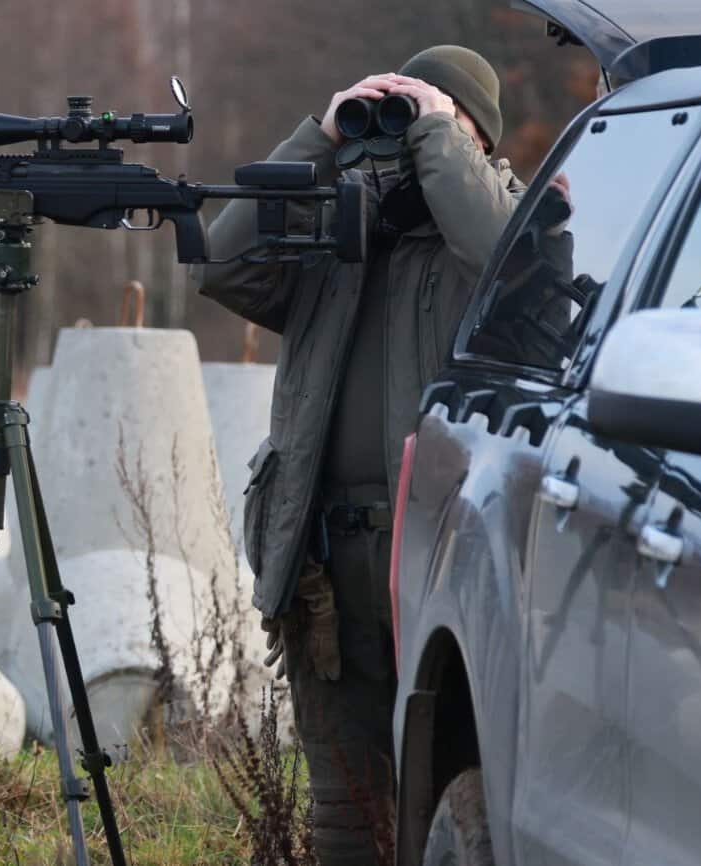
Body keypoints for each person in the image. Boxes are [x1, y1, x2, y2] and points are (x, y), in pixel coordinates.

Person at [197, 45, 523, 864]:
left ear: (472, 141)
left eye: (420, 127)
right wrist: (320, 135)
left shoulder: (512, 221)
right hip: (328, 572)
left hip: (446, 559)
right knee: (344, 813)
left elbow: (498, 260)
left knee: (453, 787)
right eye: (390, 125)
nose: (396, 146)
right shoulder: (335, 237)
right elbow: (221, 261)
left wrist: (436, 138)